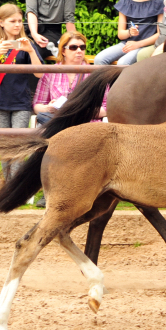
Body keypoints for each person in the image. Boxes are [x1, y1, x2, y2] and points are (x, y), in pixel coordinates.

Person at [32, 31, 108, 208]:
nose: (79, 51)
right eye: (74, 47)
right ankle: (48, 192)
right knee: (48, 143)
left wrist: (84, 111)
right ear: (63, 51)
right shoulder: (50, 73)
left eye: (82, 47)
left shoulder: (95, 75)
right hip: (58, 122)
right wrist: (48, 107)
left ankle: (82, 195)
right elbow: (37, 105)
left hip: (86, 123)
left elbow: (106, 107)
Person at [0, 4, 43, 180]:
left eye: (20, 21)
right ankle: (8, 183)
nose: (17, 25)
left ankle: (16, 182)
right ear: (1, 22)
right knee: (3, 145)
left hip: (21, 103)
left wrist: (30, 51)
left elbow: (39, 73)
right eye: (12, 21)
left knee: (18, 143)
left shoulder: (26, 45)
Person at [94, 0, 164, 65]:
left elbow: (160, 34)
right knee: (99, 59)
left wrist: (138, 44)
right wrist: (129, 33)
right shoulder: (126, 2)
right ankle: (108, 82)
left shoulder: (158, 3)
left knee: (122, 63)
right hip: (127, 44)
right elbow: (121, 34)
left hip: (146, 46)